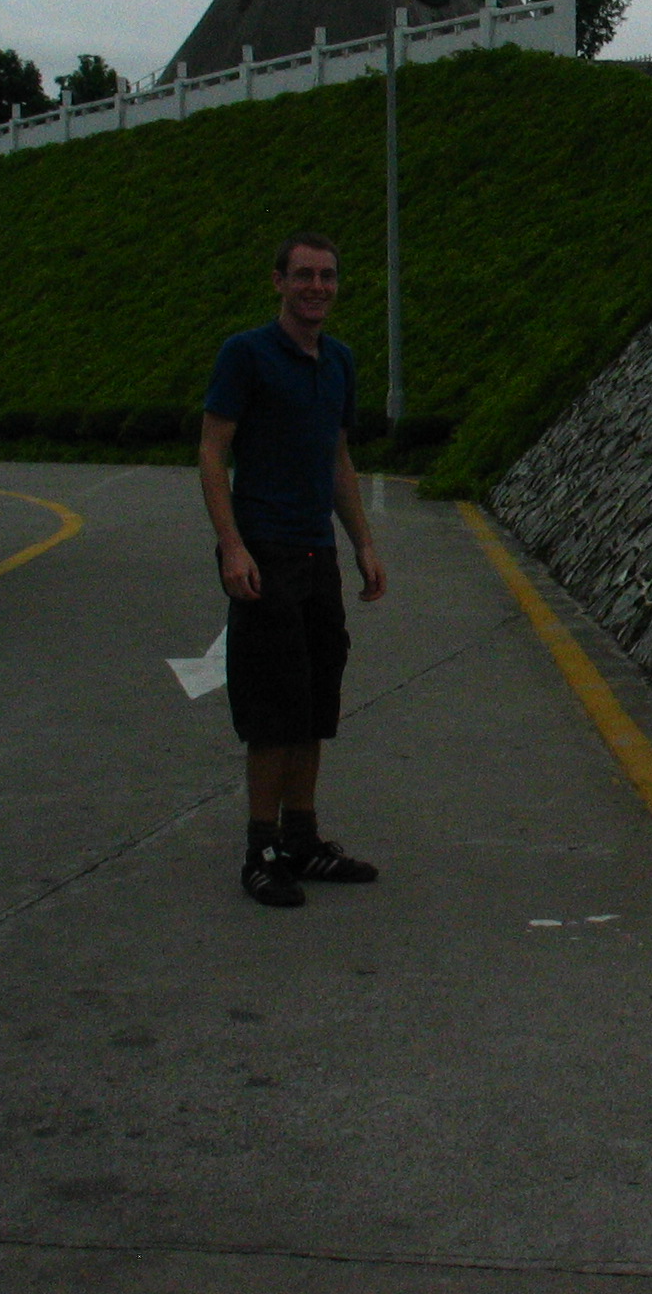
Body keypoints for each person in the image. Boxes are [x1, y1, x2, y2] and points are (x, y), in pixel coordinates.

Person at [200, 233, 389, 908]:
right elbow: (213, 452)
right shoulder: (245, 354)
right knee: (272, 710)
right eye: (304, 275)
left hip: (317, 555)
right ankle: (261, 849)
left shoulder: (339, 362)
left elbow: (337, 458)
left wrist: (362, 543)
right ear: (278, 281)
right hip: (265, 554)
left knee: (314, 702)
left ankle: (302, 838)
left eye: (327, 276)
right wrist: (231, 546)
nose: (317, 287)